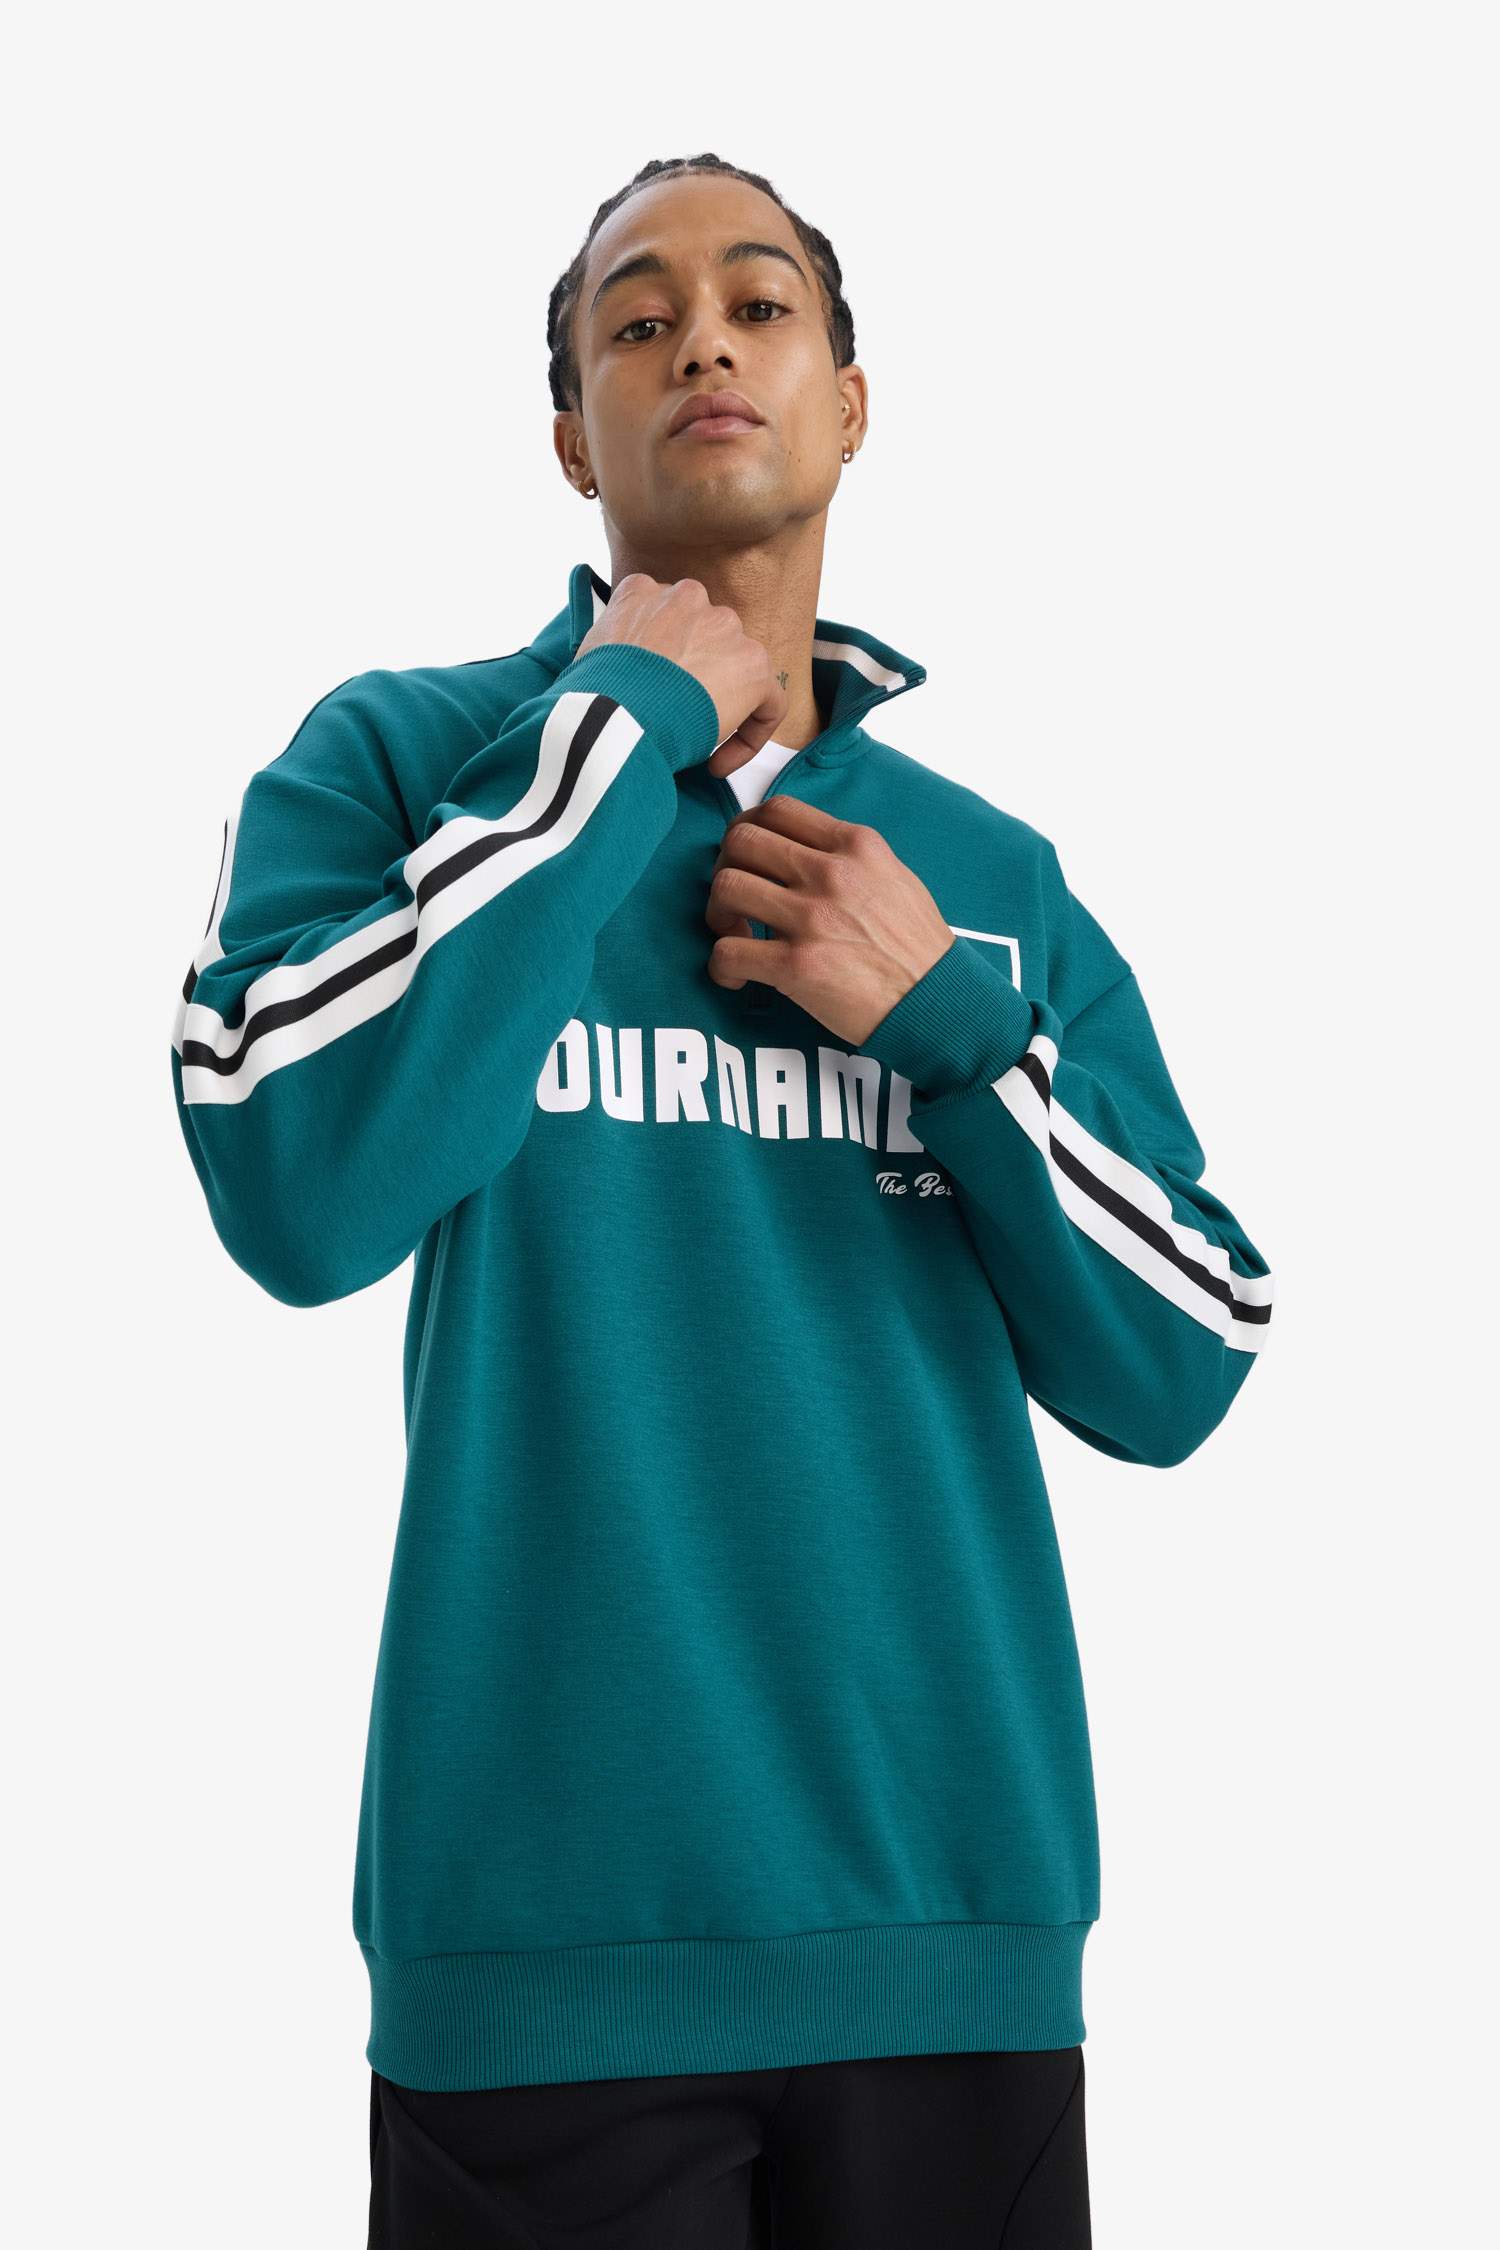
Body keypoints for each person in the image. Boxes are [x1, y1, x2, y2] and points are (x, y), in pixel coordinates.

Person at [170, 152, 1273, 2249]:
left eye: (760, 304)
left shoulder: (984, 882)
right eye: (637, 317)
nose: (702, 340)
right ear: (569, 432)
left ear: (849, 402)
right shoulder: (405, 762)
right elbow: (293, 1184)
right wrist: (613, 739)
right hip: (540, 1950)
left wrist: (953, 1030)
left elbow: (1190, 1353)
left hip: (950, 1932)